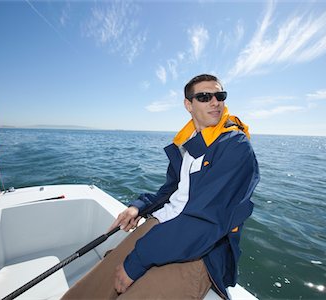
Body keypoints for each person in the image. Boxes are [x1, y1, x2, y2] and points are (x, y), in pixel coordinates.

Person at [61, 74, 260, 299]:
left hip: (202, 249)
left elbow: (206, 221)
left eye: (219, 96)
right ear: (189, 105)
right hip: (163, 224)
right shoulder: (191, 143)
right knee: (85, 292)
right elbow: (172, 191)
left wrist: (137, 260)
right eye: (204, 97)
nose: (215, 102)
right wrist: (139, 207)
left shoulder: (235, 146)